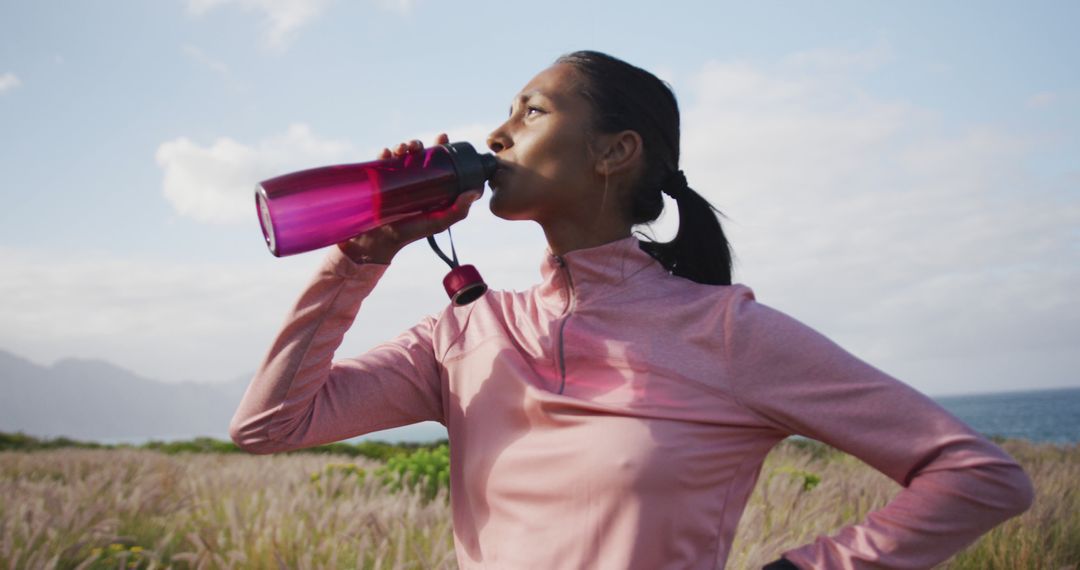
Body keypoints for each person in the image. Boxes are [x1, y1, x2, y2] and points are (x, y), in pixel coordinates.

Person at [230, 51, 1034, 569]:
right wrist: (359, 257)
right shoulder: (464, 334)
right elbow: (269, 428)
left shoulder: (726, 334)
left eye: (532, 111)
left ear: (616, 152)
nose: (497, 134)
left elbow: (978, 477)